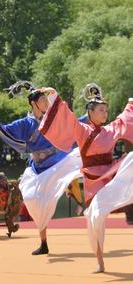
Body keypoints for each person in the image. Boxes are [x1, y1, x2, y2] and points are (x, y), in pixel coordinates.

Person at [38, 83, 133, 272]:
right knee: (94, 220)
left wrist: (131, 103)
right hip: (92, 182)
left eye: (106, 110)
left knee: (130, 161)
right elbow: (66, 118)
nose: (105, 114)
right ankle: (100, 261)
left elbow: (126, 118)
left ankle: (100, 260)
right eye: (101, 110)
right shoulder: (82, 130)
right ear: (90, 112)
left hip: (109, 180)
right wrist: (54, 97)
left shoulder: (111, 129)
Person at [0, 80, 82, 255]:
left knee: (78, 166)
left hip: (58, 162)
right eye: (43, 100)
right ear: (33, 103)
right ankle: (43, 242)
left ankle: (86, 202)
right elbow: (7, 131)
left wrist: (54, 95)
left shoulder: (52, 118)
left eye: (47, 100)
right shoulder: (25, 123)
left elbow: (70, 122)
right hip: (38, 168)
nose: (46, 103)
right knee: (33, 200)